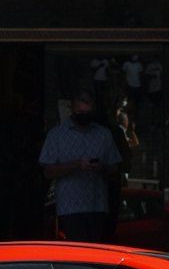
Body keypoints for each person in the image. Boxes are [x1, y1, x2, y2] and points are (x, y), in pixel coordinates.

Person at [39, 90, 122, 243]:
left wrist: (101, 168)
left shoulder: (104, 134)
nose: (84, 115)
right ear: (71, 108)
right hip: (69, 208)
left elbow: (115, 171)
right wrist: (76, 165)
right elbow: (48, 171)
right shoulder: (57, 135)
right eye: (80, 111)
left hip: (97, 206)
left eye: (87, 112)